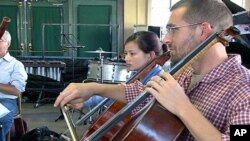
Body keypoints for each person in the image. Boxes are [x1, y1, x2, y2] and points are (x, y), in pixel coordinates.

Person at [54, 0, 250, 140]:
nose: (165, 39)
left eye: (173, 29)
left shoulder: (244, 89)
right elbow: (143, 93)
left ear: (203, 31)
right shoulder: (184, 74)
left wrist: (183, 107)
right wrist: (94, 88)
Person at [82, 31, 166, 108]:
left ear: (150, 55)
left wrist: (94, 89)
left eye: (132, 53)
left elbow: (138, 96)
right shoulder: (136, 75)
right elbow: (115, 97)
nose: (126, 58)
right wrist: (85, 101)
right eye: (126, 53)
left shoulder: (159, 81)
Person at [0, 31, 27, 141]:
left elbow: (17, 90)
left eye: (1, 40)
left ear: (8, 44)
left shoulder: (16, 65)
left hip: (5, 101)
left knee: (2, 120)